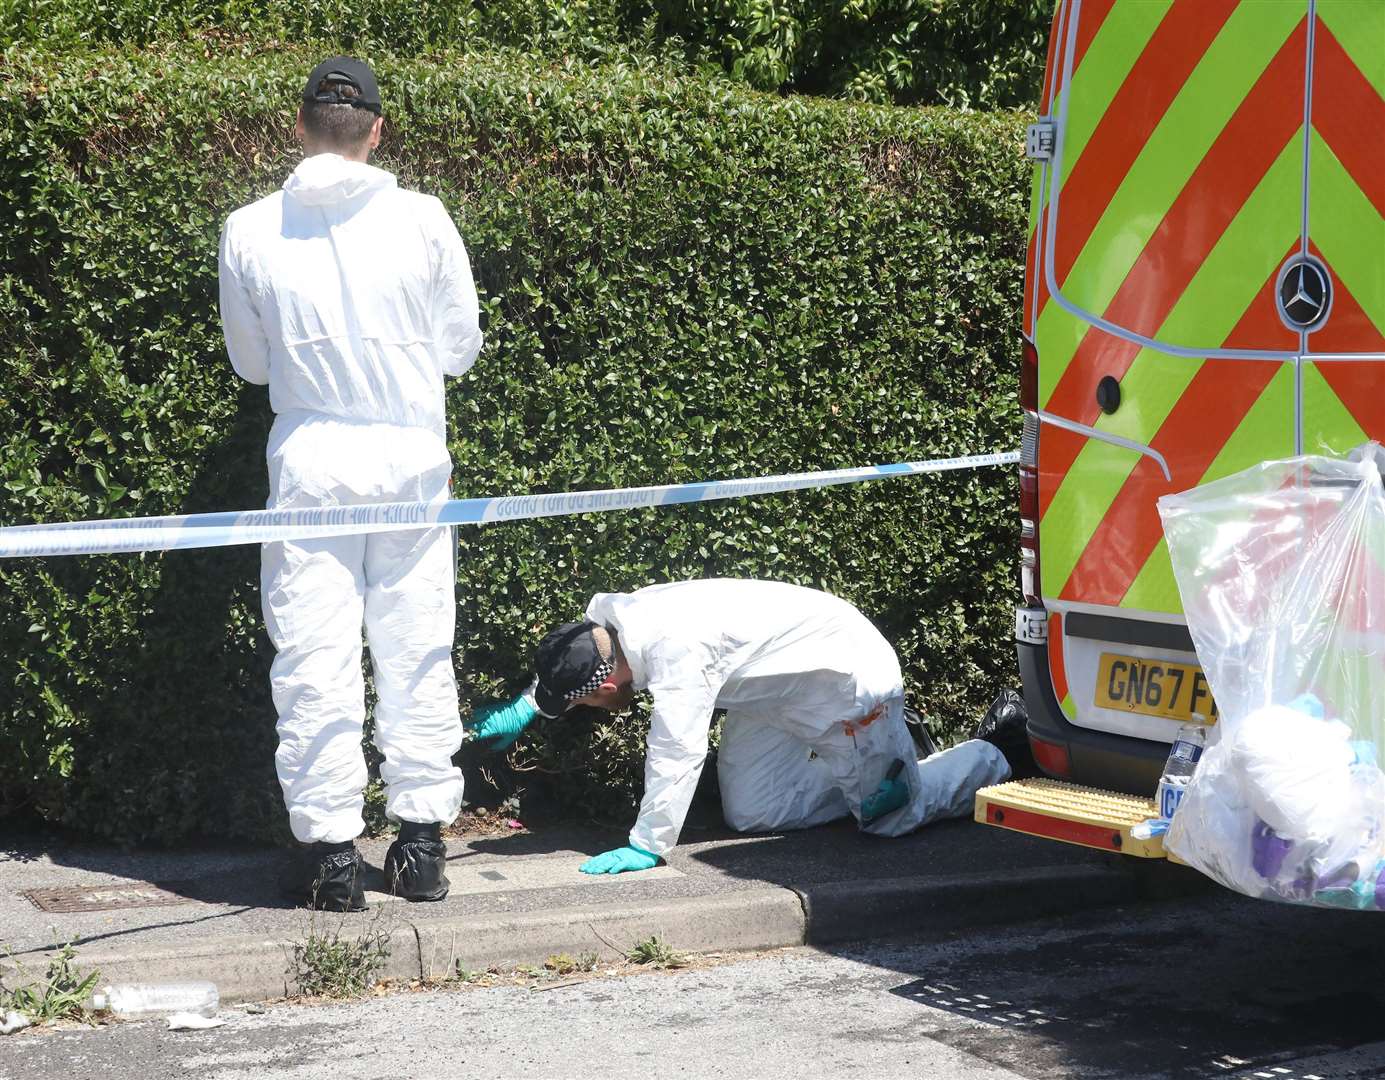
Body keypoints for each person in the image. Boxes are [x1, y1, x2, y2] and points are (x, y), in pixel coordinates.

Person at [218, 57, 483, 910]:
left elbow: (251, 365)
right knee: (415, 648)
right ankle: (420, 845)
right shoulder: (425, 217)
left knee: (312, 656)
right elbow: (459, 347)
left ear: (299, 127)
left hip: (311, 461)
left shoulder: (250, 227)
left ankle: (333, 857)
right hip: (410, 458)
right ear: (376, 130)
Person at [471, 579, 1014, 873]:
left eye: (582, 705)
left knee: (890, 818)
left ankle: (994, 752)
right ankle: (867, 775)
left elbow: (677, 752)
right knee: (755, 812)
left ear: (606, 688)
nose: (586, 710)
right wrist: (528, 707)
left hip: (845, 685)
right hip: (770, 689)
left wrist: (649, 844)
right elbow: (573, 666)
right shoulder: (616, 630)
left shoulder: (674, 650)